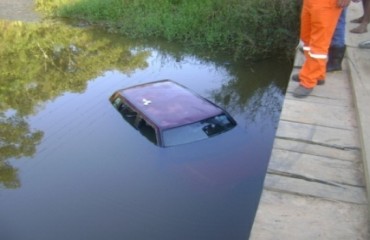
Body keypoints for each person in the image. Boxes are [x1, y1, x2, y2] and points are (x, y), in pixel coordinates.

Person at [293, 0, 351, 98]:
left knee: (319, 45)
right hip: (310, 3)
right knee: (306, 38)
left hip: (328, 4)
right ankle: (317, 74)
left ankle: (308, 82)